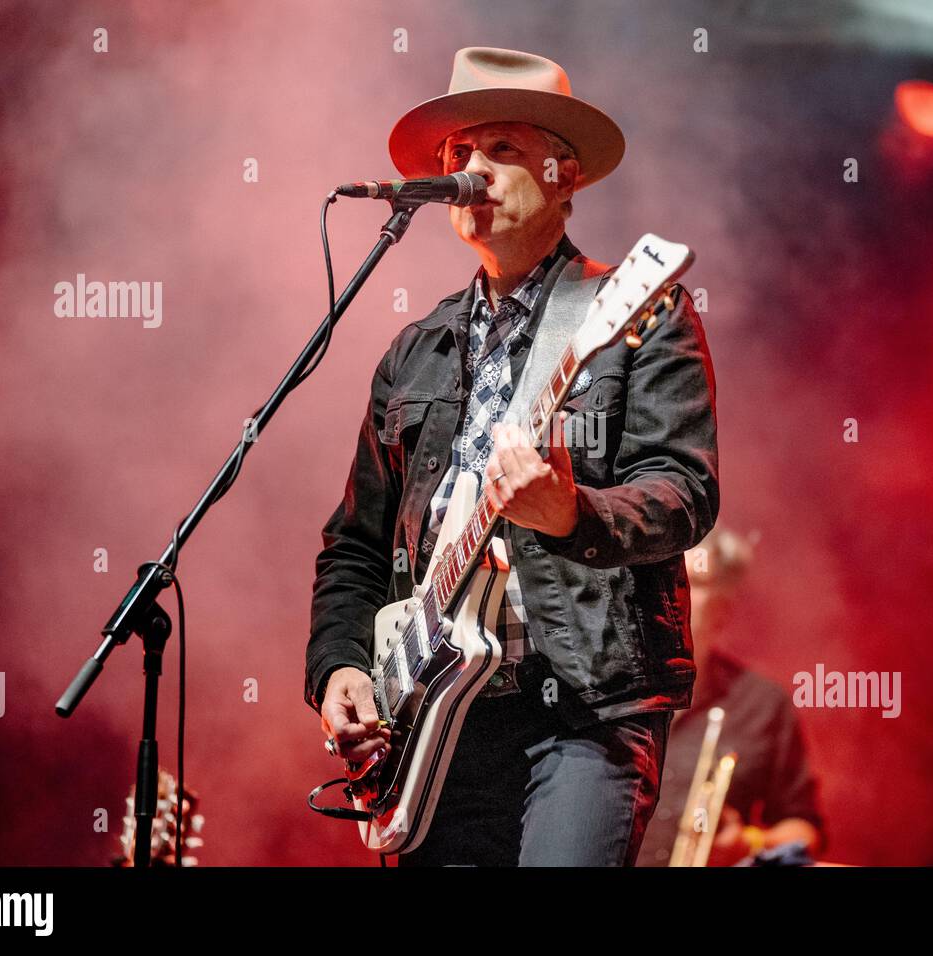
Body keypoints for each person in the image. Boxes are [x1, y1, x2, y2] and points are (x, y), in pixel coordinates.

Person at [305, 47, 718, 865]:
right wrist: (340, 669)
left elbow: (684, 494)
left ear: (564, 175)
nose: (470, 170)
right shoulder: (414, 349)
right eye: (458, 154)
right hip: (435, 725)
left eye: (502, 150)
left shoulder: (636, 313)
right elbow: (354, 546)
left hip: (585, 710)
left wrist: (572, 514)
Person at [637, 525, 826, 866]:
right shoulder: (605, 685)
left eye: (690, 579)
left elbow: (805, 831)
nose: (670, 589)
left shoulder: (762, 705)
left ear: (724, 606)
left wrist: (750, 841)